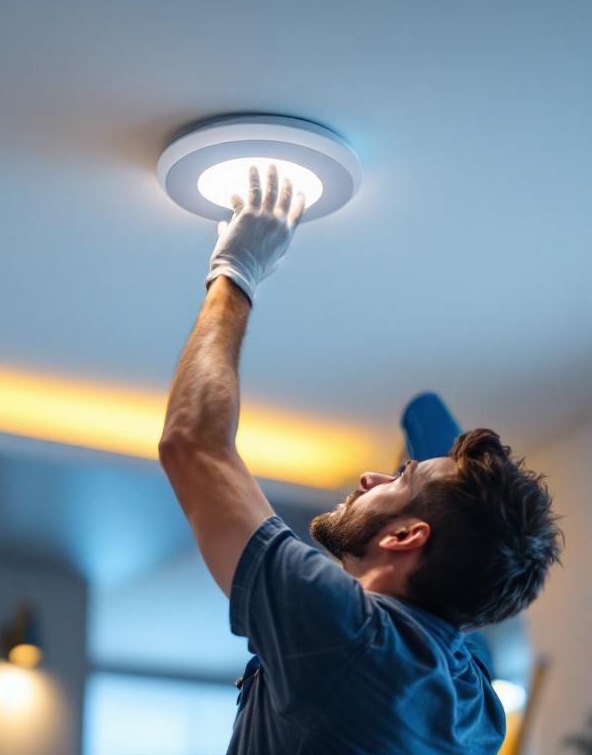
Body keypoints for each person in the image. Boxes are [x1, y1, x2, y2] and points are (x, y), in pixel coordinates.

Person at [158, 165, 563, 755]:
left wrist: (236, 270)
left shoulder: (348, 634)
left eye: (398, 477)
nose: (371, 476)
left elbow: (192, 444)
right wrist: (439, 483)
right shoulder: (474, 704)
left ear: (405, 537)